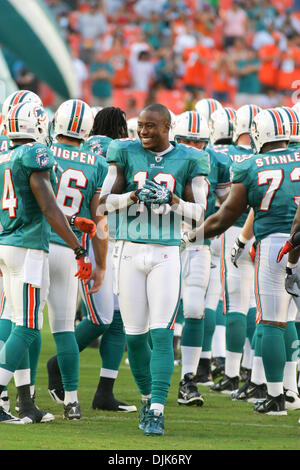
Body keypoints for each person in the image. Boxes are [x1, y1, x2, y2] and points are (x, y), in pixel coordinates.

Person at [98, 103, 210, 435]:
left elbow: (200, 215)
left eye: (151, 126)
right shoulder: (124, 151)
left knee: (161, 333)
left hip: (165, 253)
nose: (143, 132)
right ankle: (148, 399)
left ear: (166, 127)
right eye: (141, 126)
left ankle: (158, 410)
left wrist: (172, 199)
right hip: (130, 251)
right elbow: (103, 202)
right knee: (134, 338)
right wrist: (133, 196)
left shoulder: (189, 158)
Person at [184, 107, 300, 415]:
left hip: (276, 244)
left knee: (273, 320)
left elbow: (224, 217)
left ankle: (276, 396)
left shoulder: (250, 166)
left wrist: (190, 238)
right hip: (296, 240)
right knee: (289, 320)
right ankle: (292, 389)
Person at [0, 100, 93, 423]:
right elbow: (48, 206)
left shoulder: (6, 155)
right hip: (29, 250)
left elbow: (32, 203)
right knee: (27, 328)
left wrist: (69, 220)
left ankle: (25, 402)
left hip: (9, 244)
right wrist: (77, 247)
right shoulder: (33, 154)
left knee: (16, 322)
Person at [47, 107, 137, 413]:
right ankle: (57, 367)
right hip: (87, 241)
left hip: (87, 238)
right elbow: (103, 209)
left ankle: (104, 392)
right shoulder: (112, 153)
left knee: (115, 317)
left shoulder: (76, 149)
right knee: (103, 317)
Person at [44, 99, 108, 420]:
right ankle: (71, 400)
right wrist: (100, 263)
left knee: (23, 324)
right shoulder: (96, 163)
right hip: (73, 251)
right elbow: (97, 217)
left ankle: (17, 393)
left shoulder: (42, 151)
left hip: (38, 243)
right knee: (65, 328)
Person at [172, 110, 231, 405]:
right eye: (185, 140)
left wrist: (207, 230)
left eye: (199, 142)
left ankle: (188, 380)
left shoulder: (216, 161)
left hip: (197, 243)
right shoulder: (162, 157)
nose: (193, 147)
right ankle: (149, 386)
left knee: (195, 309)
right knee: (149, 318)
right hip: (163, 243)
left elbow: (227, 203)